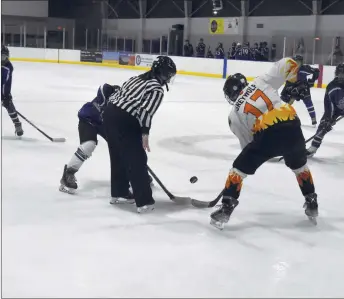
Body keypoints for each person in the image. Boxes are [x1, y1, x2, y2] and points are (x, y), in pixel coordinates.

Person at [210, 58, 318, 230]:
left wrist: (260, 153)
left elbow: (248, 145)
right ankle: (311, 202)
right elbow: (289, 63)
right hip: (292, 123)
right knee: (300, 166)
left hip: (267, 132)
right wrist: (297, 79)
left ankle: (226, 208)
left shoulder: (233, 116)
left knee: (237, 169)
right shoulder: (260, 81)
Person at [103, 56, 176, 213]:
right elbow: (145, 111)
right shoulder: (157, 89)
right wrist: (145, 133)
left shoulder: (135, 78)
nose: (169, 79)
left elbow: (118, 94)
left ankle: (120, 193)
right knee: (137, 159)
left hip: (109, 113)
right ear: (162, 73)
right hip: (125, 119)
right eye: (169, 75)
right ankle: (144, 201)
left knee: (118, 155)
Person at [59, 84, 120, 194]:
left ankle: (135, 172)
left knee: (122, 147)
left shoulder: (125, 105)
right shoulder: (108, 91)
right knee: (89, 145)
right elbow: (103, 88)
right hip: (88, 119)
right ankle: (69, 173)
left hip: (106, 125)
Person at [307, 63, 344, 157]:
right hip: (335, 109)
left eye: (343, 73)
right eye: (339, 73)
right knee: (323, 125)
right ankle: (313, 148)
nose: (341, 76)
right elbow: (329, 106)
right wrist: (328, 119)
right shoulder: (332, 87)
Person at [281, 55, 319, 126]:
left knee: (308, 103)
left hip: (303, 88)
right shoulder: (289, 70)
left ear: (301, 63)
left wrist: (312, 81)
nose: (296, 64)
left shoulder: (305, 69)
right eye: (295, 62)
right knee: (289, 101)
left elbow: (316, 71)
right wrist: (286, 91)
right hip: (294, 88)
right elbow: (288, 82)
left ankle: (313, 119)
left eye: (298, 62)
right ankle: (285, 116)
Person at [1, 45, 23, 136]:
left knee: (10, 106)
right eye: (2, 57)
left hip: (4, 92)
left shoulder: (8, 67)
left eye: (5, 57)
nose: (4, 59)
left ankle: (17, 124)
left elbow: (4, 83)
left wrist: (5, 97)